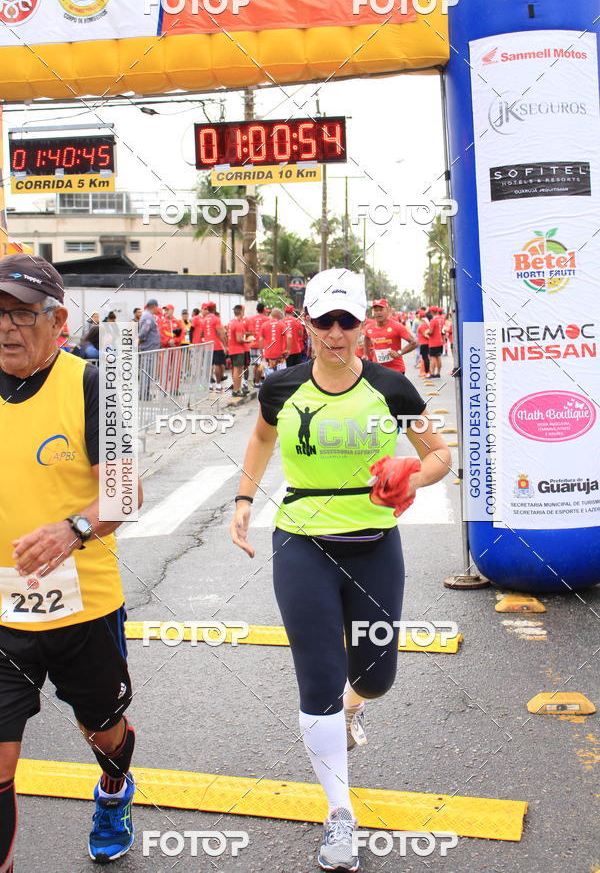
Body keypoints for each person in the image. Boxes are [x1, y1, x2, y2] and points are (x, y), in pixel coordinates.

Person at [229, 268, 450, 872]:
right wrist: (245, 500)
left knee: (376, 677)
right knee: (318, 677)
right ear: (307, 324)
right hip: (302, 544)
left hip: (375, 543)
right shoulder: (280, 387)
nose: (334, 332)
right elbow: (260, 442)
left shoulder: (392, 388)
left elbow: (439, 456)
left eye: (346, 321)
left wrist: (412, 474)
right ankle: (339, 812)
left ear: (362, 327)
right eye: (323, 320)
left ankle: (356, 707)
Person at [0, 254, 143, 869]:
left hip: (82, 602)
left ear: (57, 319)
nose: (6, 327)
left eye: (21, 314)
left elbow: (126, 489)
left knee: (103, 730)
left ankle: (114, 790)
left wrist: (73, 528)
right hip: (3, 610)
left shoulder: (93, 385)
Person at [363, 298, 416, 373]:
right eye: (376, 310)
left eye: (381, 310)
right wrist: (366, 354)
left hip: (396, 370)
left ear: (387, 310)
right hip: (378, 370)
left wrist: (399, 353)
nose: (378, 313)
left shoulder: (396, 326)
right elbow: (366, 338)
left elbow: (414, 342)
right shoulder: (369, 327)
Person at [138, 299, 161, 399]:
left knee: (147, 371)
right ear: (154, 306)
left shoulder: (147, 315)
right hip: (148, 348)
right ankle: (143, 394)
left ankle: (145, 393)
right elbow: (143, 332)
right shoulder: (148, 317)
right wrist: (139, 340)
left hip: (149, 348)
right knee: (146, 372)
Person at [259, 307, 291, 375]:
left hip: (268, 355)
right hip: (280, 355)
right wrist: (288, 350)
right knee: (281, 377)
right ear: (278, 316)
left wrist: (261, 352)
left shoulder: (264, 325)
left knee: (269, 377)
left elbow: (260, 339)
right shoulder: (282, 324)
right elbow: (289, 336)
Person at [227, 304, 248, 397]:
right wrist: (248, 340)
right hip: (238, 349)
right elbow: (239, 339)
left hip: (232, 348)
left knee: (237, 370)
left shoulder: (231, 322)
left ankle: (237, 389)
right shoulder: (238, 324)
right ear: (241, 312)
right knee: (238, 370)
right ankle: (236, 390)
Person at [425, 309, 444, 378]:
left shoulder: (433, 320)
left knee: (433, 358)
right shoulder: (441, 320)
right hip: (440, 341)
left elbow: (431, 331)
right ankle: (438, 373)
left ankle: (432, 373)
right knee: (438, 357)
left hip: (433, 342)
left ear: (432, 312)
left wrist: (426, 332)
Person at [417, 312, 432, 378]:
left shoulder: (423, 325)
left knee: (425, 358)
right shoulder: (426, 324)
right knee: (426, 358)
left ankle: (426, 372)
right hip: (425, 343)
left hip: (424, 343)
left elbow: (425, 334)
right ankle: (427, 371)